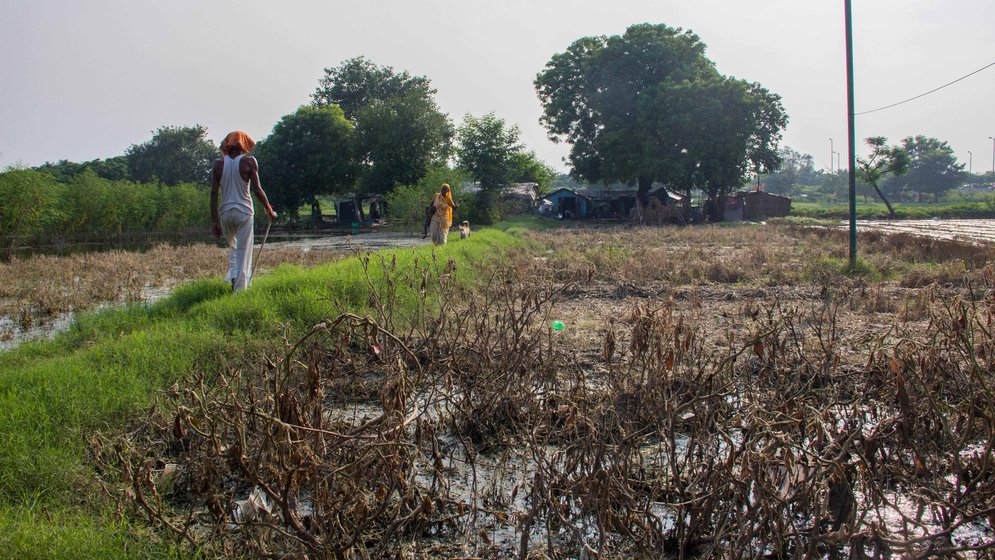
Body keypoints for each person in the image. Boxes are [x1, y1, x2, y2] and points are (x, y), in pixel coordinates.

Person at [210, 131, 278, 292]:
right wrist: (269, 209)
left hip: (225, 214)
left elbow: (213, 193)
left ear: (228, 145)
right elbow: (257, 189)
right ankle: (240, 291)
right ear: (243, 145)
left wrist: (214, 221)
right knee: (243, 250)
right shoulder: (249, 162)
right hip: (244, 212)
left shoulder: (218, 164)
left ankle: (234, 278)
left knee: (233, 249)